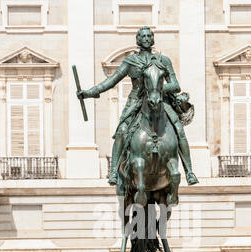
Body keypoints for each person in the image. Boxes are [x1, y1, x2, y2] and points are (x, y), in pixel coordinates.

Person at [77, 26, 198, 187]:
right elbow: (111, 81)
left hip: (160, 99)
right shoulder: (130, 61)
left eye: (149, 35)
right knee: (121, 131)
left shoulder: (164, 61)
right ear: (138, 40)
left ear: (153, 39)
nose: (147, 38)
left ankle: (189, 171)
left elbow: (175, 85)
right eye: (143, 36)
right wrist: (89, 92)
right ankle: (114, 171)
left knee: (179, 130)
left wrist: (156, 89)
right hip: (136, 101)